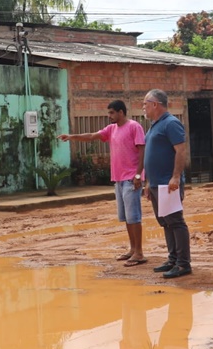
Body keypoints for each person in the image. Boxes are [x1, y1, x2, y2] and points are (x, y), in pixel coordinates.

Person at [59, 100, 147, 266]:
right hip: (118, 179)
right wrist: (72, 137)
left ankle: (139, 252)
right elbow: (92, 136)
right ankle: (132, 249)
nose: (109, 116)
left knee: (134, 217)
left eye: (112, 113)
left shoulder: (134, 126)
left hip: (130, 178)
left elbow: (142, 151)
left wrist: (138, 176)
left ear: (121, 112)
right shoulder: (111, 129)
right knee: (127, 217)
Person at [141, 89, 192, 279]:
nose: (143, 107)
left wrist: (176, 177)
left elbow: (180, 151)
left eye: (145, 103)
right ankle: (172, 259)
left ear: (155, 104)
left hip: (168, 183)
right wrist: (147, 182)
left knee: (176, 222)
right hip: (156, 184)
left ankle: (183, 264)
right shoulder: (154, 125)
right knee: (165, 222)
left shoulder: (171, 123)